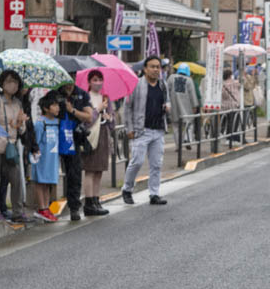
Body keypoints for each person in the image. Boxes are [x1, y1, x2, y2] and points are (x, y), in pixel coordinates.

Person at [121, 55, 170, 206]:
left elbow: (167, 100)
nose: (156, 70)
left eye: (158, 67)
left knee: (156, 164)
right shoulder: (136, 84)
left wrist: (168, 106)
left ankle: (154, 194)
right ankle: (127, 189)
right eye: (152, 67)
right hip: (141, 130)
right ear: (145, 69)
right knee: (137, 161)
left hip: (158, 129)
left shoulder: (163, 85)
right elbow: (127, 107)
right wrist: (128, 128)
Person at [0, 70, 27, 222]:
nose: (13, 85)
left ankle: (18, 212)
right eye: (9, 81)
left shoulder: (18, 104)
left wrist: (22, 123)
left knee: (16, 180)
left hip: (11, 148)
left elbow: (20, 130)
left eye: (15, 82)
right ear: (2, 83)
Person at [56, 80, 92, 221]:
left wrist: (72, 111)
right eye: (66, 79)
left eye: (72, 79)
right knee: (51, 173)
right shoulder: (56, 93)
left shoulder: (81, 94)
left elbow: (89, 116)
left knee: (74, 174)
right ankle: (47, 206)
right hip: (56, 136)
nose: (69, 84)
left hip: (74, 138)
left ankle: (74, 207)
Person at [79, 70, 113, 217]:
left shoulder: (106, 98)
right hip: (91, 136)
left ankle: (96, 199)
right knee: (90, 170)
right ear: (89, 82)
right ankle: (88, 202)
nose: (98, 82)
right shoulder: (85, 98)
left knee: (99, 170)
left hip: (103, 134)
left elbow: (112, 122)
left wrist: (109, 117)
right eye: (94, 80)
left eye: (100, 79)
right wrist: (97, 110)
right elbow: (86, 120)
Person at [31, 92, 63, 222]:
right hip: (42, 159)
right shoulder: (40, 123)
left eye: (58, 105)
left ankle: (46, 207)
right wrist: (34, 156)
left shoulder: (56, 122)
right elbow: (36, 142)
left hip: (53, 159)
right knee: (40, 182)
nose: (57, 108)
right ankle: (42, 208)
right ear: (46, 108)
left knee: (48, 182)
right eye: (54, 105)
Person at [168, 64, 201, 150]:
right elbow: (192, 94)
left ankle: (178, 146)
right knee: (189, 123)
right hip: (186, 106)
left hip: (174, 105)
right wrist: (195, 106)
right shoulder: (189, 80)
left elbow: (166, 90)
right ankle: (187, 139)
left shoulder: (171, 77)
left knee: (175, 126)